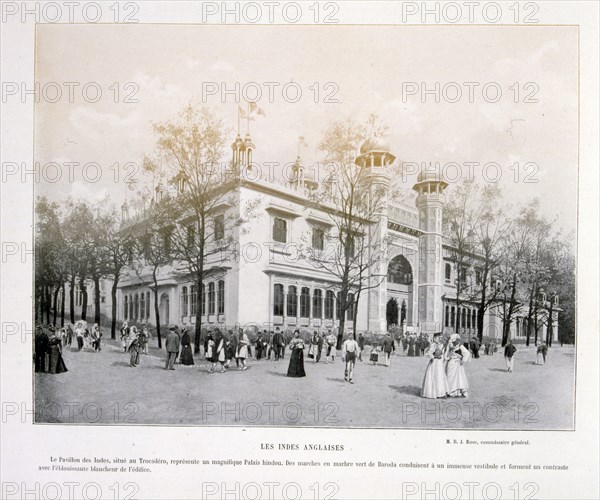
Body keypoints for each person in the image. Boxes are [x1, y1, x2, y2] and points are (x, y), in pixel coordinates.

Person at [421, 332, 449, 399]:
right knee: (435, 376)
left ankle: (441, 393)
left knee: (440, 377)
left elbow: (443, 354)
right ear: (435, 338)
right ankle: (435, 393)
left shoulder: (441, 345)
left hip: (439, 363)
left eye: (440, 337)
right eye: (438, 337)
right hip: (434, 363)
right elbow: (428, 353)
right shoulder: (433, 345)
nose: (440, 338)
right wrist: (434, 357)